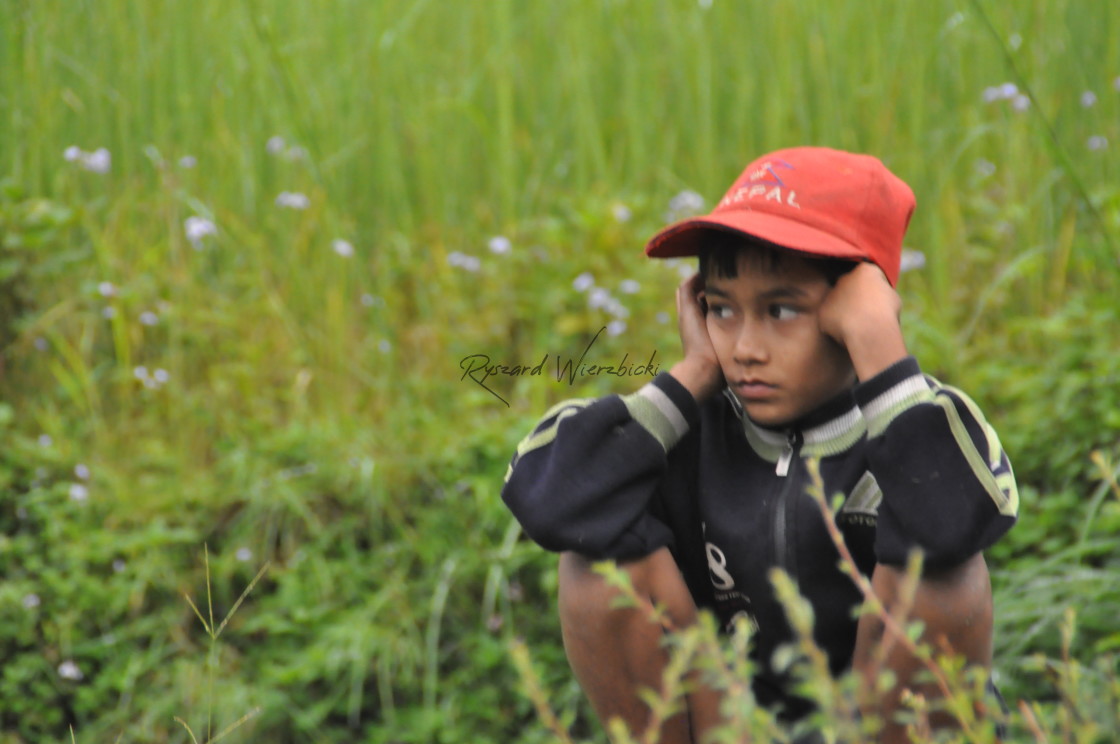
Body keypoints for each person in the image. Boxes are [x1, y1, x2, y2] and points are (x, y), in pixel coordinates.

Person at [501, 146, 1018, 743]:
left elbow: (953, 528)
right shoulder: (685, 429)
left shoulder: (923, 421)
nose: (745, 347)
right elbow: (551, 502)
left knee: (942, 577)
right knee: (594, 561)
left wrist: (879, 346)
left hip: (875, 726)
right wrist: (694, 372)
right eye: (721, 309)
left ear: (856, 306)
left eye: (780, 310)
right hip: (738, 726)